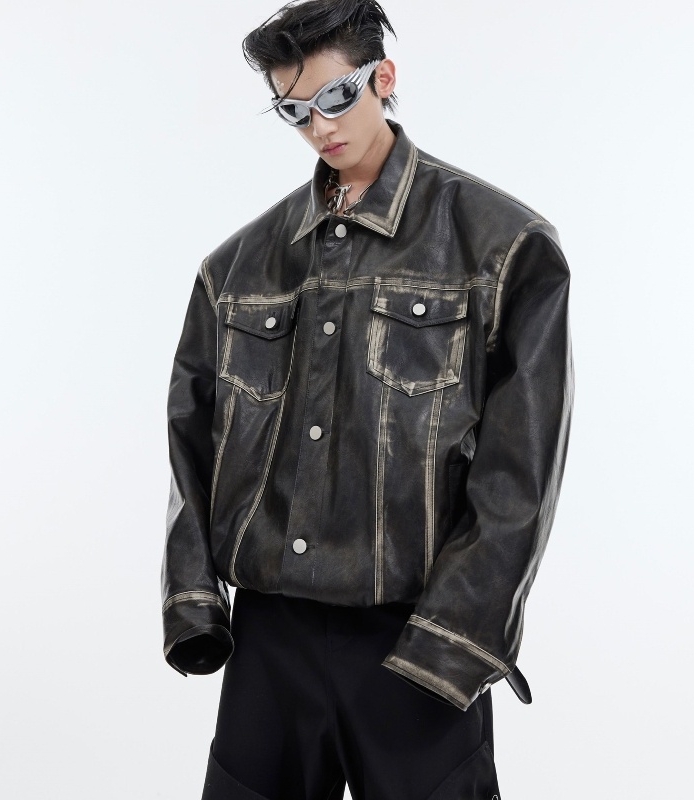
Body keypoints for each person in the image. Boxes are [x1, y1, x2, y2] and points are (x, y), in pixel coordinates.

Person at [161, 1, 574, 797]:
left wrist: (456, 640)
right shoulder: (236, 268)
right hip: (270, 642)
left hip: (415, 637)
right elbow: (191, 443)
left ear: (382, 77)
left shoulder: (503, 247)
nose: (319, 127)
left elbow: (520, 475)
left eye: (335, 97)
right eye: (293, 110)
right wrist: (193, 603)